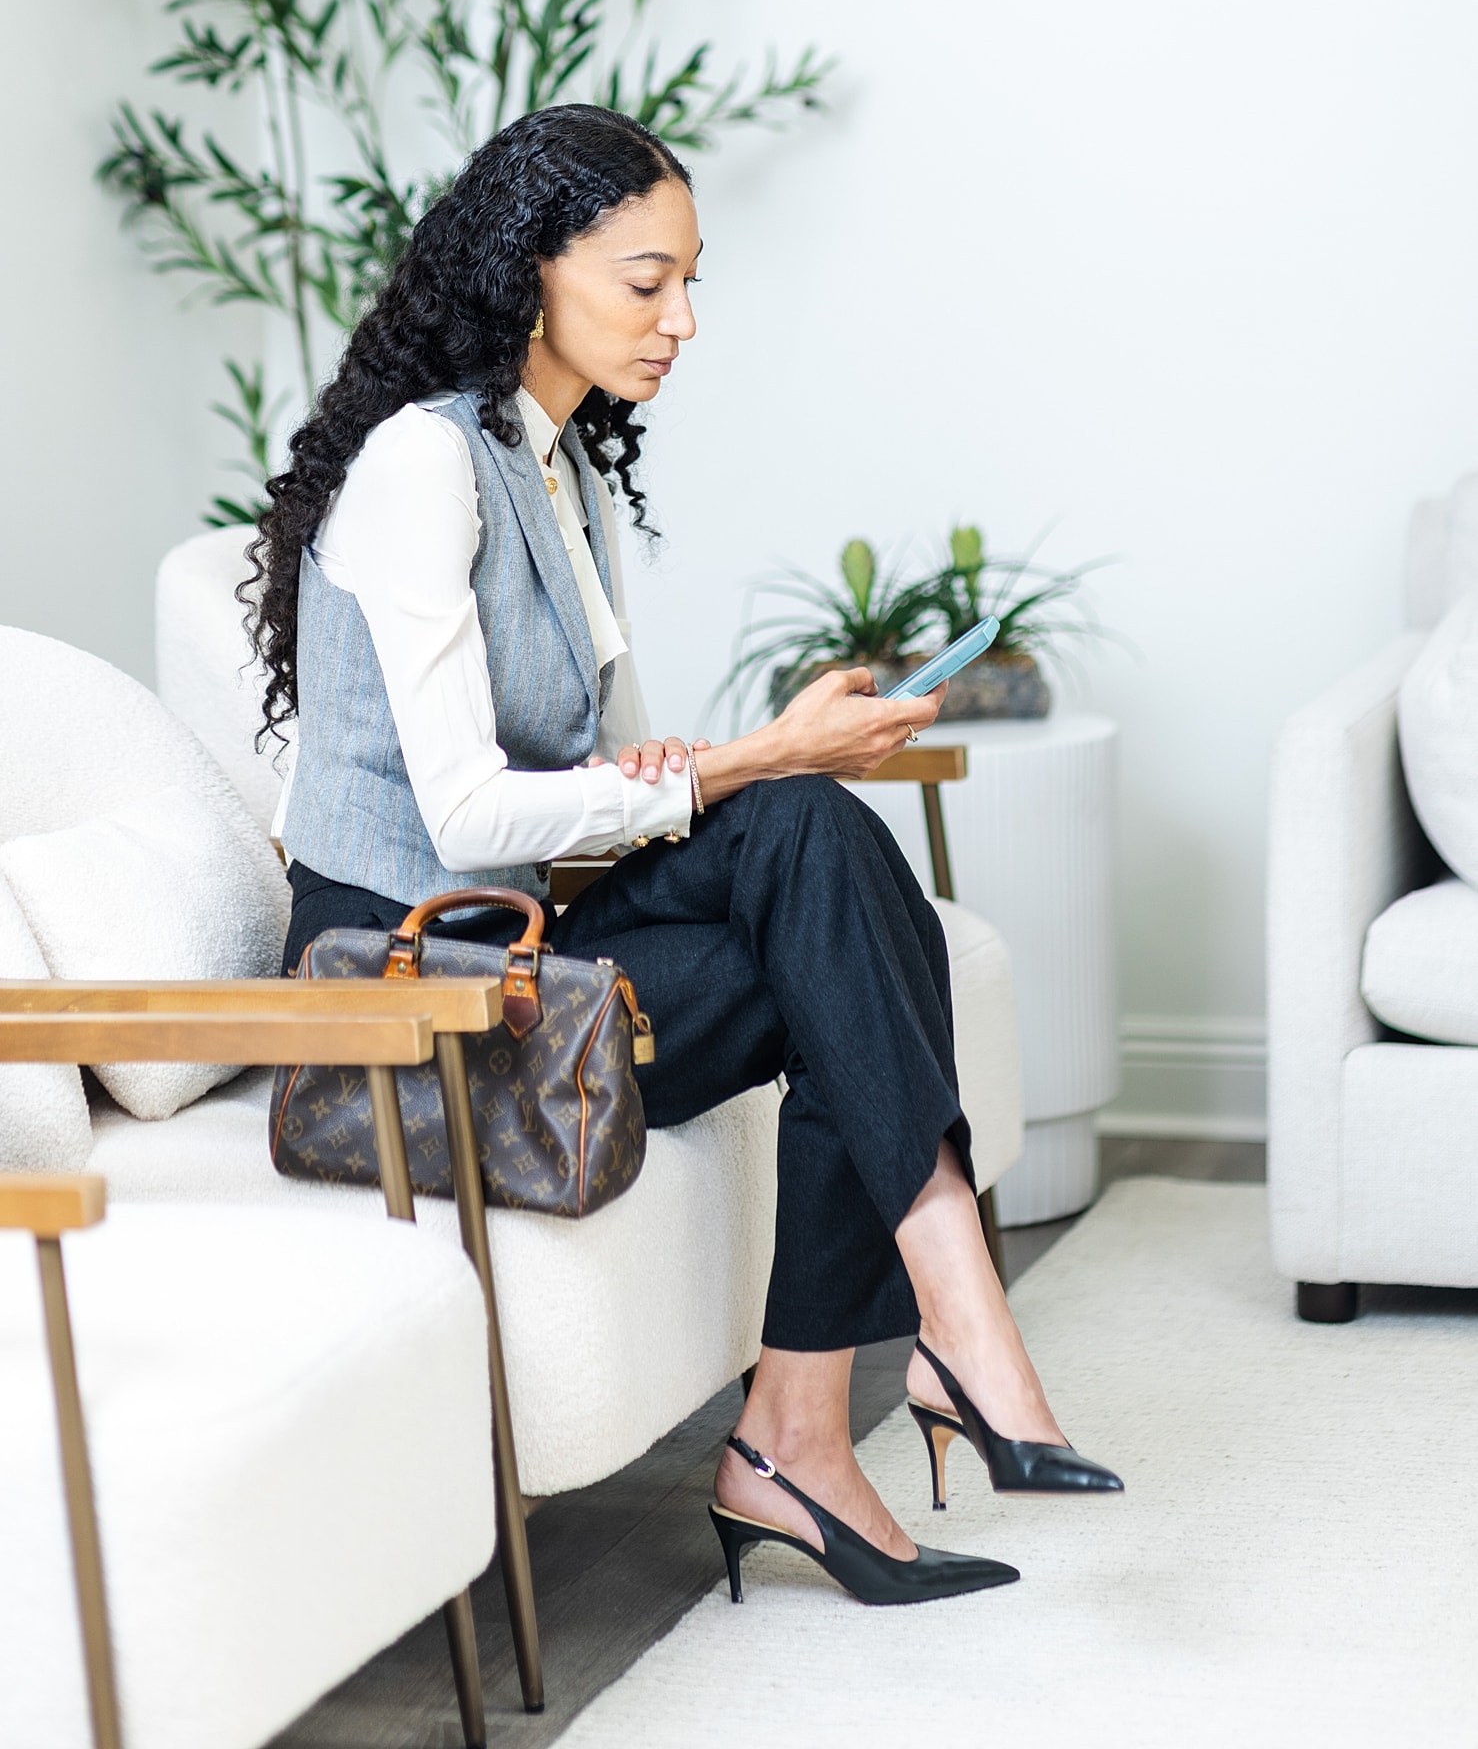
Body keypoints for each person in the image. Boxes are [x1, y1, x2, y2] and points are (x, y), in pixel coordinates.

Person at [250, 103, 1119, 1609]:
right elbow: (466, 820)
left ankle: (827, 1412)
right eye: (647, 282)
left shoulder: (562, 472)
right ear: (532, 269)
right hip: (405, 1009)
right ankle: (906, 1354)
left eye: (690, 282)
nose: (683, 320)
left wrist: (750, 767)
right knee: (808, 854)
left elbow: (625, 785)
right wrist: (755, 757)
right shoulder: (420, 465)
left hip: (520, 956)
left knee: (812, 853)